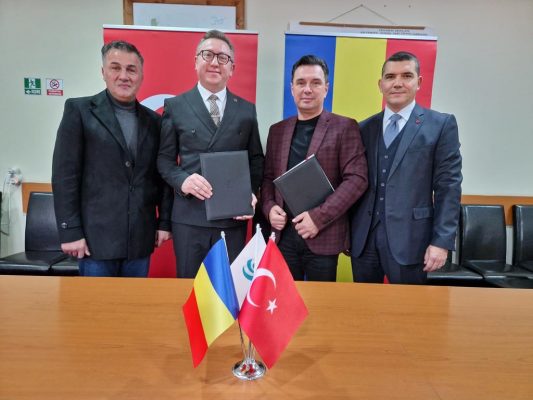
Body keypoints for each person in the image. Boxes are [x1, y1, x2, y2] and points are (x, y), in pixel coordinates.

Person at [52, 40, 173, 277]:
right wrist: (70, 231)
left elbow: (162, 177)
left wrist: (164, 222)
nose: (124, 76)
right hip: (94, 241)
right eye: (115, 68)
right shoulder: (79, 111)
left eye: (131, 69)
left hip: (140, 240)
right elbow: (65, 176)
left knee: (135, 301)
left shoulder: (155, 122)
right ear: (103, 72)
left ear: (141, 75)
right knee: (97, 302)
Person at [158, 30, 264, 278]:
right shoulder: (176, 106)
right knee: (191, 287)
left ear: (232, 68)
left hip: (232, 218)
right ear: (196, 62)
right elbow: (164, 160)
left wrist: (250, 192)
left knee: (228, 289)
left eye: (223, 57)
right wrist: (183, 180)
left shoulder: (246, 110)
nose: (215, 62)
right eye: (208, 55)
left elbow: (256, 159)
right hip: (189, 218)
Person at [351, 51, 462, 284]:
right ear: (380, 84)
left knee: (409, 306)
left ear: (419, 82)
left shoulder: (440, 125)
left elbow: (448, 187)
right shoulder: (363, 128)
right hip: (364, 240)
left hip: (412, 240)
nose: (397, 83)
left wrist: (441, 241)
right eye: (390, 77)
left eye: (406, 76)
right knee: (363, 305)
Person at [261, 55, 368, 281]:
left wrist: (318, 218)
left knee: (321, 301)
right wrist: (269, 208)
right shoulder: (277, 130)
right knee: (284, 301)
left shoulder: (345, 127)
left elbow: (357, 179)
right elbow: (268, 177)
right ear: (292, 88)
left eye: (315, 83)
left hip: (323, 234)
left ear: (326, 88)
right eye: (301, 83)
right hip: (283, 235)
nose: (307, 89)